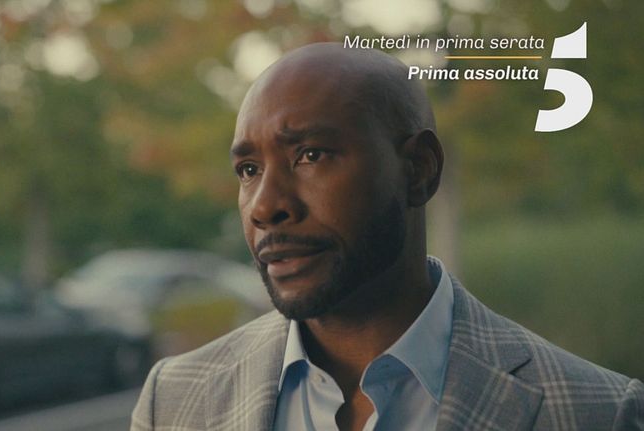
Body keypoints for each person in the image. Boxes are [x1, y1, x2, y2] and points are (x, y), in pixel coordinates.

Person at [131, 43, 643, 430]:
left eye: (310, 155)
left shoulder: (597, 411)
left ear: (419, 169)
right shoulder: (171, 402)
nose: (265, 207)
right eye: (248, 169)